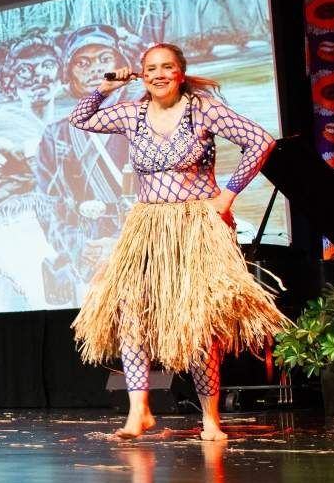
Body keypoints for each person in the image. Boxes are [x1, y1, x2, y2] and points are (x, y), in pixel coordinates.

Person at [70, 43, 286, 441]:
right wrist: (107, 86)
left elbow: (260, 141)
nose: (158, 74)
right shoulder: (132, 114)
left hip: (197, 225)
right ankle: (140, 411)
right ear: (143, 75)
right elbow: (81, 118)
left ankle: (210, 418)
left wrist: (228, 195)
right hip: (149, 226)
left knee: (201, 323)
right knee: (133, 311)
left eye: (166, 67)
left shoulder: (203, 108)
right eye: (150, 68)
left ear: (180, 72)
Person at [34, 25, 136, 304]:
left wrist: (122, 244)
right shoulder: (56, 135)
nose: (94, 69)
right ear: (70, 74)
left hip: (142, 246)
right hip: (88, 258)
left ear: (121, 65)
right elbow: (46, 205)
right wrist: (81, 248)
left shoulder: (143, 120)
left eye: (105, 59)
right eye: (83, 63)